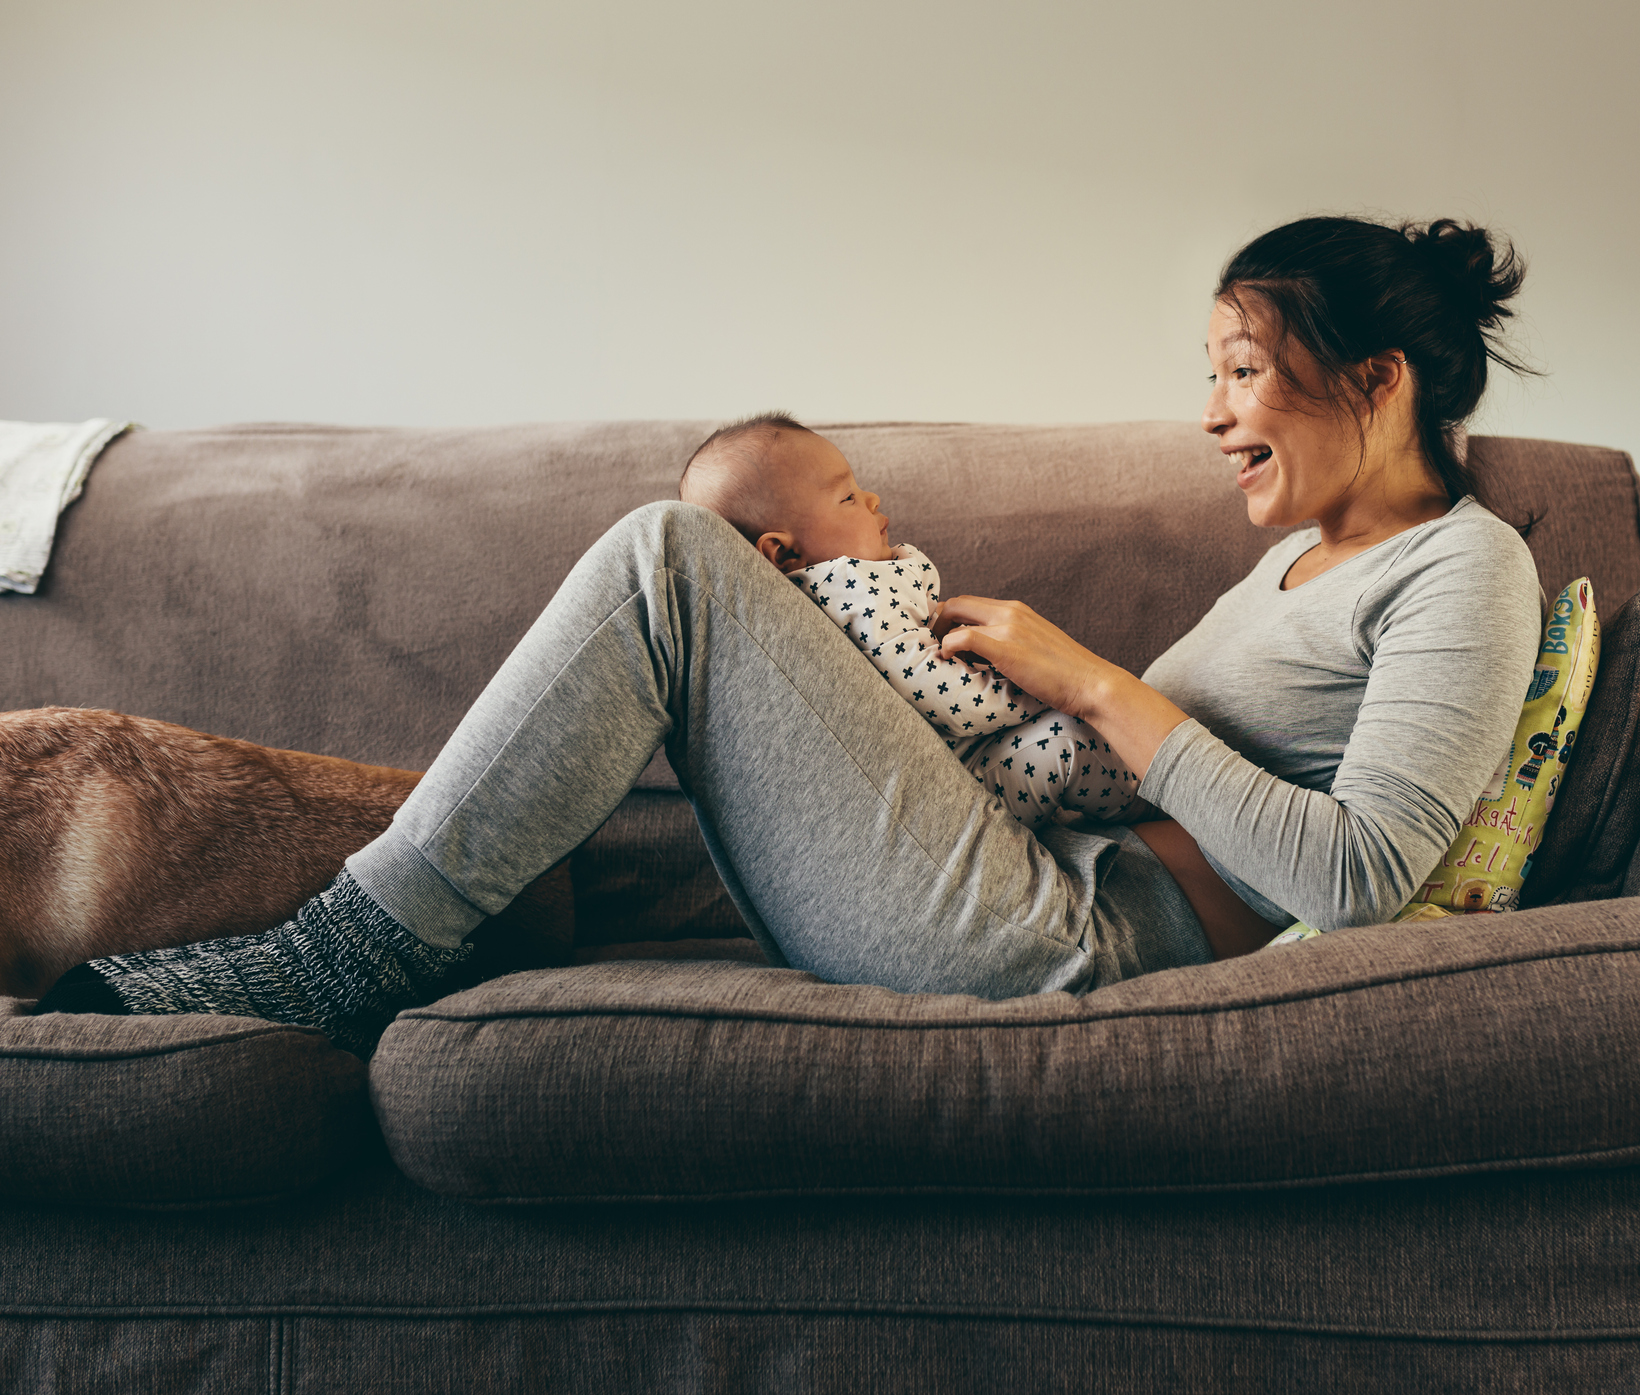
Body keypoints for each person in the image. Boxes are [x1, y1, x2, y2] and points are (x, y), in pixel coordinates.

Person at [35, 215, 1544, 1053]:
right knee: (679, 573)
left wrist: (1084, 673)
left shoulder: (1462, 570)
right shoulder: (1304, 567)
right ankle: (372, 932)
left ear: (1378, 377)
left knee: (667, 560)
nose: (1212, 413)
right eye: (1209, 374)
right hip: (1023, 874)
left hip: (1062, 945)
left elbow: (1358, 878)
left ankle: (342, 953)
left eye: (1241, 369)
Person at [676, 415, 1140, 830]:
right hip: (957, 792)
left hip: (969, 760)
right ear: (783, 552)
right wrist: (1045, 690)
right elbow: (945, 696)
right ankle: (1149, 801)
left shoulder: (838, 596)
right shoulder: (847, 592)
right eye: (848, 496)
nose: (872, 497)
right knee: (1069, 737)